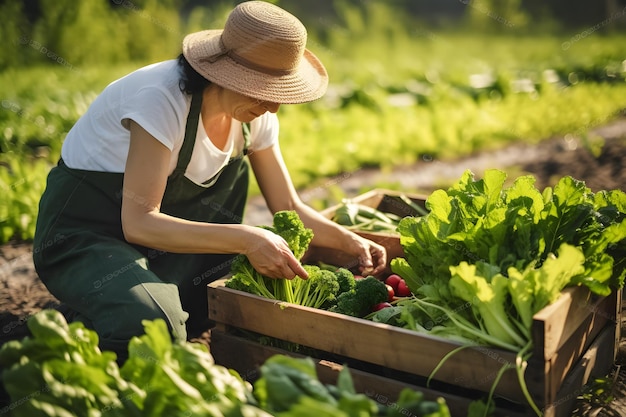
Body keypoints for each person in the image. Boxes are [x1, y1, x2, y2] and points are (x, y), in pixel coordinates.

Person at [32, 0, 386, 362]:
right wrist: (247, 238)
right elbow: (139, 222)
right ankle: (86, 324)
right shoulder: (161, 100)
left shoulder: (254, 116)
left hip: (174, 249)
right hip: (91, 237)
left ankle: (113, 307)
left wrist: (351, 241)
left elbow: (289, 206)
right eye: (264, 90)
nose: (274, 107)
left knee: (238, 302)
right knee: (153, 326)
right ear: (226, 74)